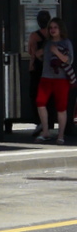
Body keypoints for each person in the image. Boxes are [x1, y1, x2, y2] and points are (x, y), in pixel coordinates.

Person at [34, 17, 72, 145]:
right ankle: (45, 131)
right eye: (51, 28)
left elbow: (69, 60)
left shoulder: (66, 42)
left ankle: (60, 135)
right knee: (40, 101)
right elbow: (42, 57)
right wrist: (38, 54)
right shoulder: (48, 43)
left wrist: (57, 52)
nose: (53, 30)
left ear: (60, 29)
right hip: (46, 77)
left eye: (55, 27)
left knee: (61, 107)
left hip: (61, 79)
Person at [27, 10, 51, 127]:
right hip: (51, 69)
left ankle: (39, 121)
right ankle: (50, 120)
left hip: (37, 69)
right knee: (50, 96)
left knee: (35, 95)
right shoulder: (53, 35)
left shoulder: (34, 36)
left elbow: (31, 52)